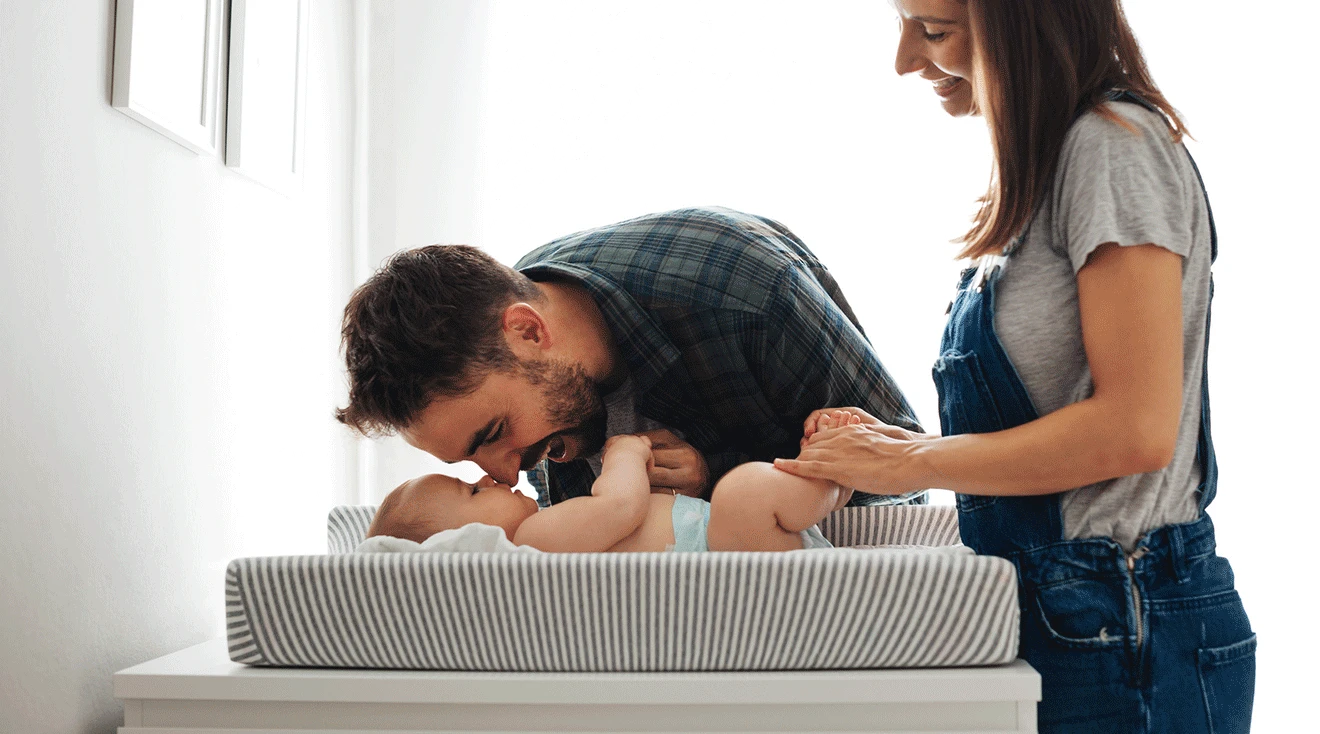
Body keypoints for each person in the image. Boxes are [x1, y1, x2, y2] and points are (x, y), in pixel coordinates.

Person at [773, 1, 1254, 731]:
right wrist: (897, 450)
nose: (905, 59)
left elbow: (1136, 428)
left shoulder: (1112, 150)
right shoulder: (1050, 165)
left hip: (1125, 623)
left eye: (934, 30)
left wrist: (916, 465)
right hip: (1067, 613)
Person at [336, 206, 924, 508]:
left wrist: (718, 482)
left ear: (529, 331)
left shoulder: (749, 294)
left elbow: (909, 484)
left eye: (496, 432)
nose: (509, 474)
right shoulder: (516, 322)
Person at [367, 418, 858, 553]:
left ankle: (834, 482)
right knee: (744, 492)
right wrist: (624, 453)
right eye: (472, 493)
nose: (490, 478)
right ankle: (836, 476)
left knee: (746, 494)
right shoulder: (532, 544)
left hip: (733, 544)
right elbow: (620, 507)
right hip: (733, 555)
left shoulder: (547, 530)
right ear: (464, 544)